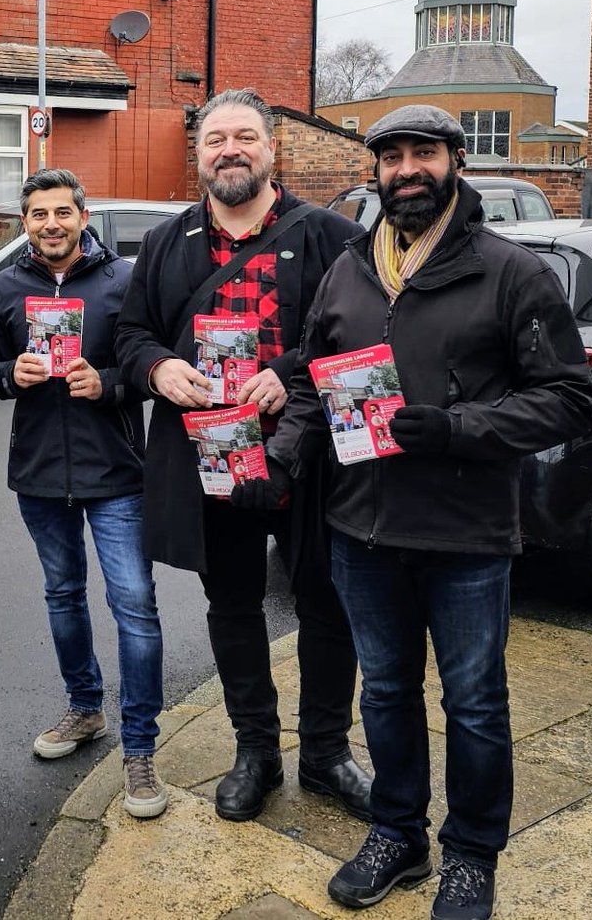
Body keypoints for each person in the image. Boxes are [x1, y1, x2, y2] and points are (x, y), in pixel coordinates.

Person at [262, 105, 592, 919]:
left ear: (456, 161)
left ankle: (473, 854)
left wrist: (457, 428)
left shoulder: (511, 271)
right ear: (375, 172)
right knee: (384, 691)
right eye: (392, 157)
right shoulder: (350, 267)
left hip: (466, 533)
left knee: (474, 700)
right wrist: (282, 451)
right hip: (361, 528)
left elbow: (567, 397)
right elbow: (311, 376)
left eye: (424, 154)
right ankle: (400, 831)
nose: (407, 169)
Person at [115, 88, 372, 824]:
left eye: (244, 137)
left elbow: (362, 336)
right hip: (210, 459)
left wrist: (289, 369)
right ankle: (255, 751)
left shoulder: (329, 236)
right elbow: (133, 336)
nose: (229, 149)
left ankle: (325, 753)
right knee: (232, 604)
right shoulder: (169, 243)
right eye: (215, 138)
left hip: (313, 455)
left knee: (327, 604)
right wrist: (158, 369)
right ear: (198, 155)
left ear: (271, 149)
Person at [0, 168, 167, 819]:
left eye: (62, 211)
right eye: (38, 214)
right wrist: (14, 371)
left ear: (83, 213)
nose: (51, 223)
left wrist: (113, 382)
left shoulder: (124, 280)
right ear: (26, 222)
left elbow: (155, 365)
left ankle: (141, 746)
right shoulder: (7, 287)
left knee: (136, 607)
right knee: (62, 595)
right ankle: (85, 708)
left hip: (115, 471)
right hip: (40, 473)